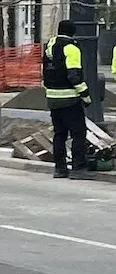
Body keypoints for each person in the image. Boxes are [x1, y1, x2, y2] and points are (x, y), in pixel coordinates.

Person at [42, 19, 92, 179]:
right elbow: (74, 75)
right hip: (70, 98)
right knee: (78, 133)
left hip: (52, 97)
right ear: (73, 32)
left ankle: (60, 169)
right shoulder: (71, 48)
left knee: (59, 134)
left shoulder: (49, 47)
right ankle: (78, 168)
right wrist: (85, 95)